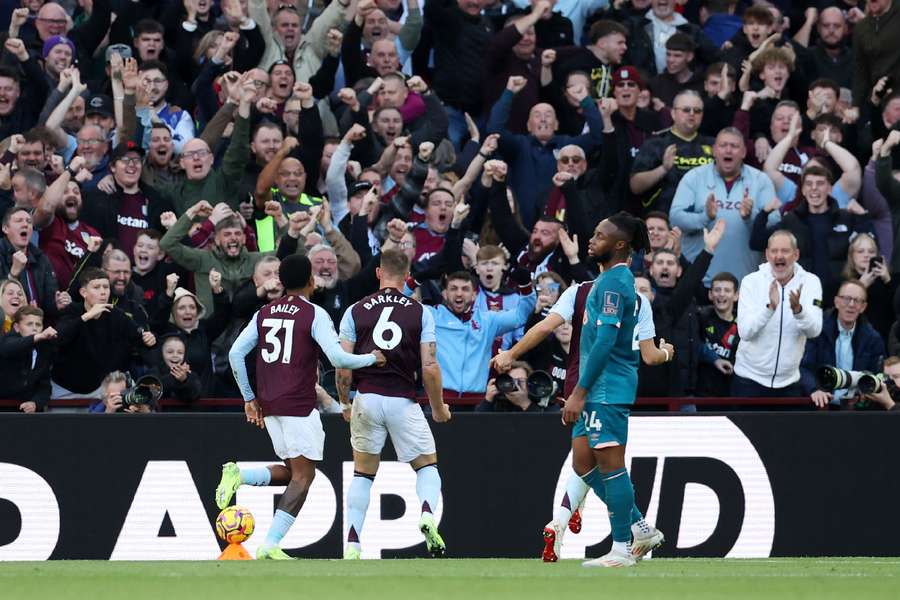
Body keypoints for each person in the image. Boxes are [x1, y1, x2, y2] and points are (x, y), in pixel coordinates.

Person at [220, 254, 386, 561]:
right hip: (298, 404)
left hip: (270, 405)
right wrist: (370, 358)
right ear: (311, 280)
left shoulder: (264, 312)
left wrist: (248, 398)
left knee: (293, 471)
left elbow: (234, 354)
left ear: (281, 282)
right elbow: (338, 359)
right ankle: (270, 544)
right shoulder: (314, 314)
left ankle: (240, 475)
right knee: (303, 477)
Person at [559, 212, 664, 568]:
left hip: (605, 390)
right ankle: (638, 525)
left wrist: (579, 391)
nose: (592, 239)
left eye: (600, 235)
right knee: (583, 462)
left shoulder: (615, 284)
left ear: (619, 245)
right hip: (598, 390)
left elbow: (604, 342)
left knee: (610, 465)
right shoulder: (607, 280)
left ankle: (622, 548)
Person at [336, 249, 451, 559]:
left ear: (378, 273)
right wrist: (438, 406)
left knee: (363, 473)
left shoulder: (355, 310)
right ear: (406, 274)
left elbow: (343, 365)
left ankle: (353, 544)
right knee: (426, 466)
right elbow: (429, 366)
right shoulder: (420, 312)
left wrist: (344, 401)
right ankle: (427, 513)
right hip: (402, 400)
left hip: (367, 397)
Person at [669, 127, 779, 286]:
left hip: (745, 283)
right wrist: (704, 216)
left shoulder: (760, 180)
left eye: (734, 146)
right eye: (723, 145)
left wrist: (751, 216)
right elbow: (675, 218)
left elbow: (775, 224)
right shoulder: (694, 177)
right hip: (697, 282)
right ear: (714, 150)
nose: (728, 150)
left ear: (743, 152)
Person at [732, 230, 823, 397]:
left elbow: (814, 331)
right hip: (749, 380)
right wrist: (769, 308)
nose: (779, 256)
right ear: (767, 254)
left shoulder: (811, 282)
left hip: (789, 383)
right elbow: (745, 332)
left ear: (796, 254)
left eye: (785, 251)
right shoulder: (751, 281)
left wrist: (799, 311)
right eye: (774, 251)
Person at [800, 279, 885, 408]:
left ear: (863, 307)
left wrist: (865, 391)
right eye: (846, 299)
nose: (851, 304)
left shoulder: (872, 338)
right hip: (821, 405)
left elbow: (877, 374)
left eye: (857, 300)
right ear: (836, 302)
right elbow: (803, 368)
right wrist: (814, 389)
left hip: (857, 409)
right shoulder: (817, 330)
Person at [0, 306, 56, 413]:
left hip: (27, 412)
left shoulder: (44, 349)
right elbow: (8, 348)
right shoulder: (8, 340)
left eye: (38, 324)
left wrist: (36, 403)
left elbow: (45, 386)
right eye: (29, 324)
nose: (34, 328)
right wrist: (36, 337)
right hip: (3, 408)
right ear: (16, 327)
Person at [697, 272, 740, 397]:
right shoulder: (700, 318)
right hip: (703, 391)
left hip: (733, 390)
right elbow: (694, 345)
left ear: (736, 295)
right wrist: (714, 359)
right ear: (710, 294)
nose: (721, 294)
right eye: (717, 290)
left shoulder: (745, 323)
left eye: (727, 290)